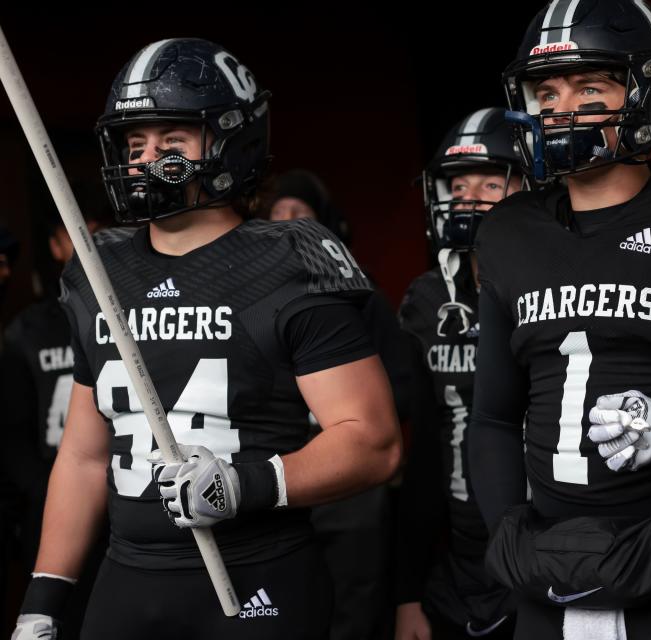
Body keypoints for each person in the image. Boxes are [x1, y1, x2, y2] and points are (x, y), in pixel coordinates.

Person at [11, 38, 401, 640]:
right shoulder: (98, 267)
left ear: (230, 140)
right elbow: (85, 456)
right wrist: (45, 594)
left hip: (254, 579)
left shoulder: (286, 259)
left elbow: (373, 443)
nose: (146, 160)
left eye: (171, 141)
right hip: (126, 579)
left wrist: (244, 485)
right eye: (135, 144)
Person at [469, 2, 651, 638]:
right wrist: (510, 535)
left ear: (644, 93)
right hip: (550, 569)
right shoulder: (509, 232)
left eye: (590, 86)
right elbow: (490, 417)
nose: (563, 108)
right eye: (547, 91)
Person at [266, 170, 413, 640]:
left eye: (299, 213)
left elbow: (403, 385)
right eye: (278, 212)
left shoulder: (356, 288)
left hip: (349, 482)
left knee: (354, 609)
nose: (287, 222)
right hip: (273, 475)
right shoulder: (249, 296)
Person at [395, 107, 524, 640]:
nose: (469, 197)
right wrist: (406, 593)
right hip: (456, 566)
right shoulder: (427, 301)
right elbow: (417, 454)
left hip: (547, 554)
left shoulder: (559, 285)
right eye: (458, 183)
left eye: (491, 182)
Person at [2, 207, 106, 639]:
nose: (89, 245)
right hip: (51, 500)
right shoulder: (28, 330)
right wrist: (41, 492)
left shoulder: (131, 317)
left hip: (122, 499)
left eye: (99, 234)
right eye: (76, 234)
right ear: (56, 244)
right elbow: (11, 430)